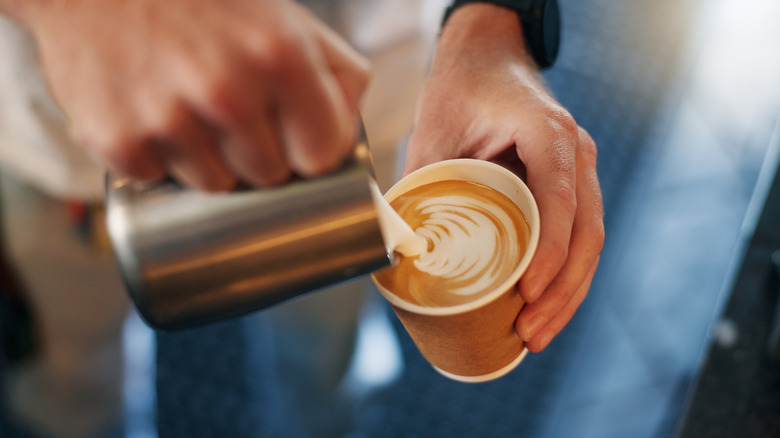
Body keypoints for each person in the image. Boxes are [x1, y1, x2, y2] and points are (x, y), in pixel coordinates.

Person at [0, 0, 603, 435]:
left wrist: (492, 23)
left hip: (366, 114)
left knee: (327, 348)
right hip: (64, 149)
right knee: (74, 384)